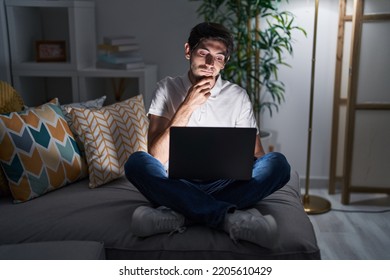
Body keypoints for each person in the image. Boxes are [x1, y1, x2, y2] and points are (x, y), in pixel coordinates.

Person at [124, 22, 291, 249]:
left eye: (219, 57)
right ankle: (228, 218)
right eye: (204, 54)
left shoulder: (238, 96)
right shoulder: (166, 88)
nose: (210, 64)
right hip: (176, 179)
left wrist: (247, 168)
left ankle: (180, 213)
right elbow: (155, 155)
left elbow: (258, 155)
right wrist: (187, 106)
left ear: (225, 62)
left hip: (223, 183)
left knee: (278, 164)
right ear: (188, 51)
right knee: (136, 163)